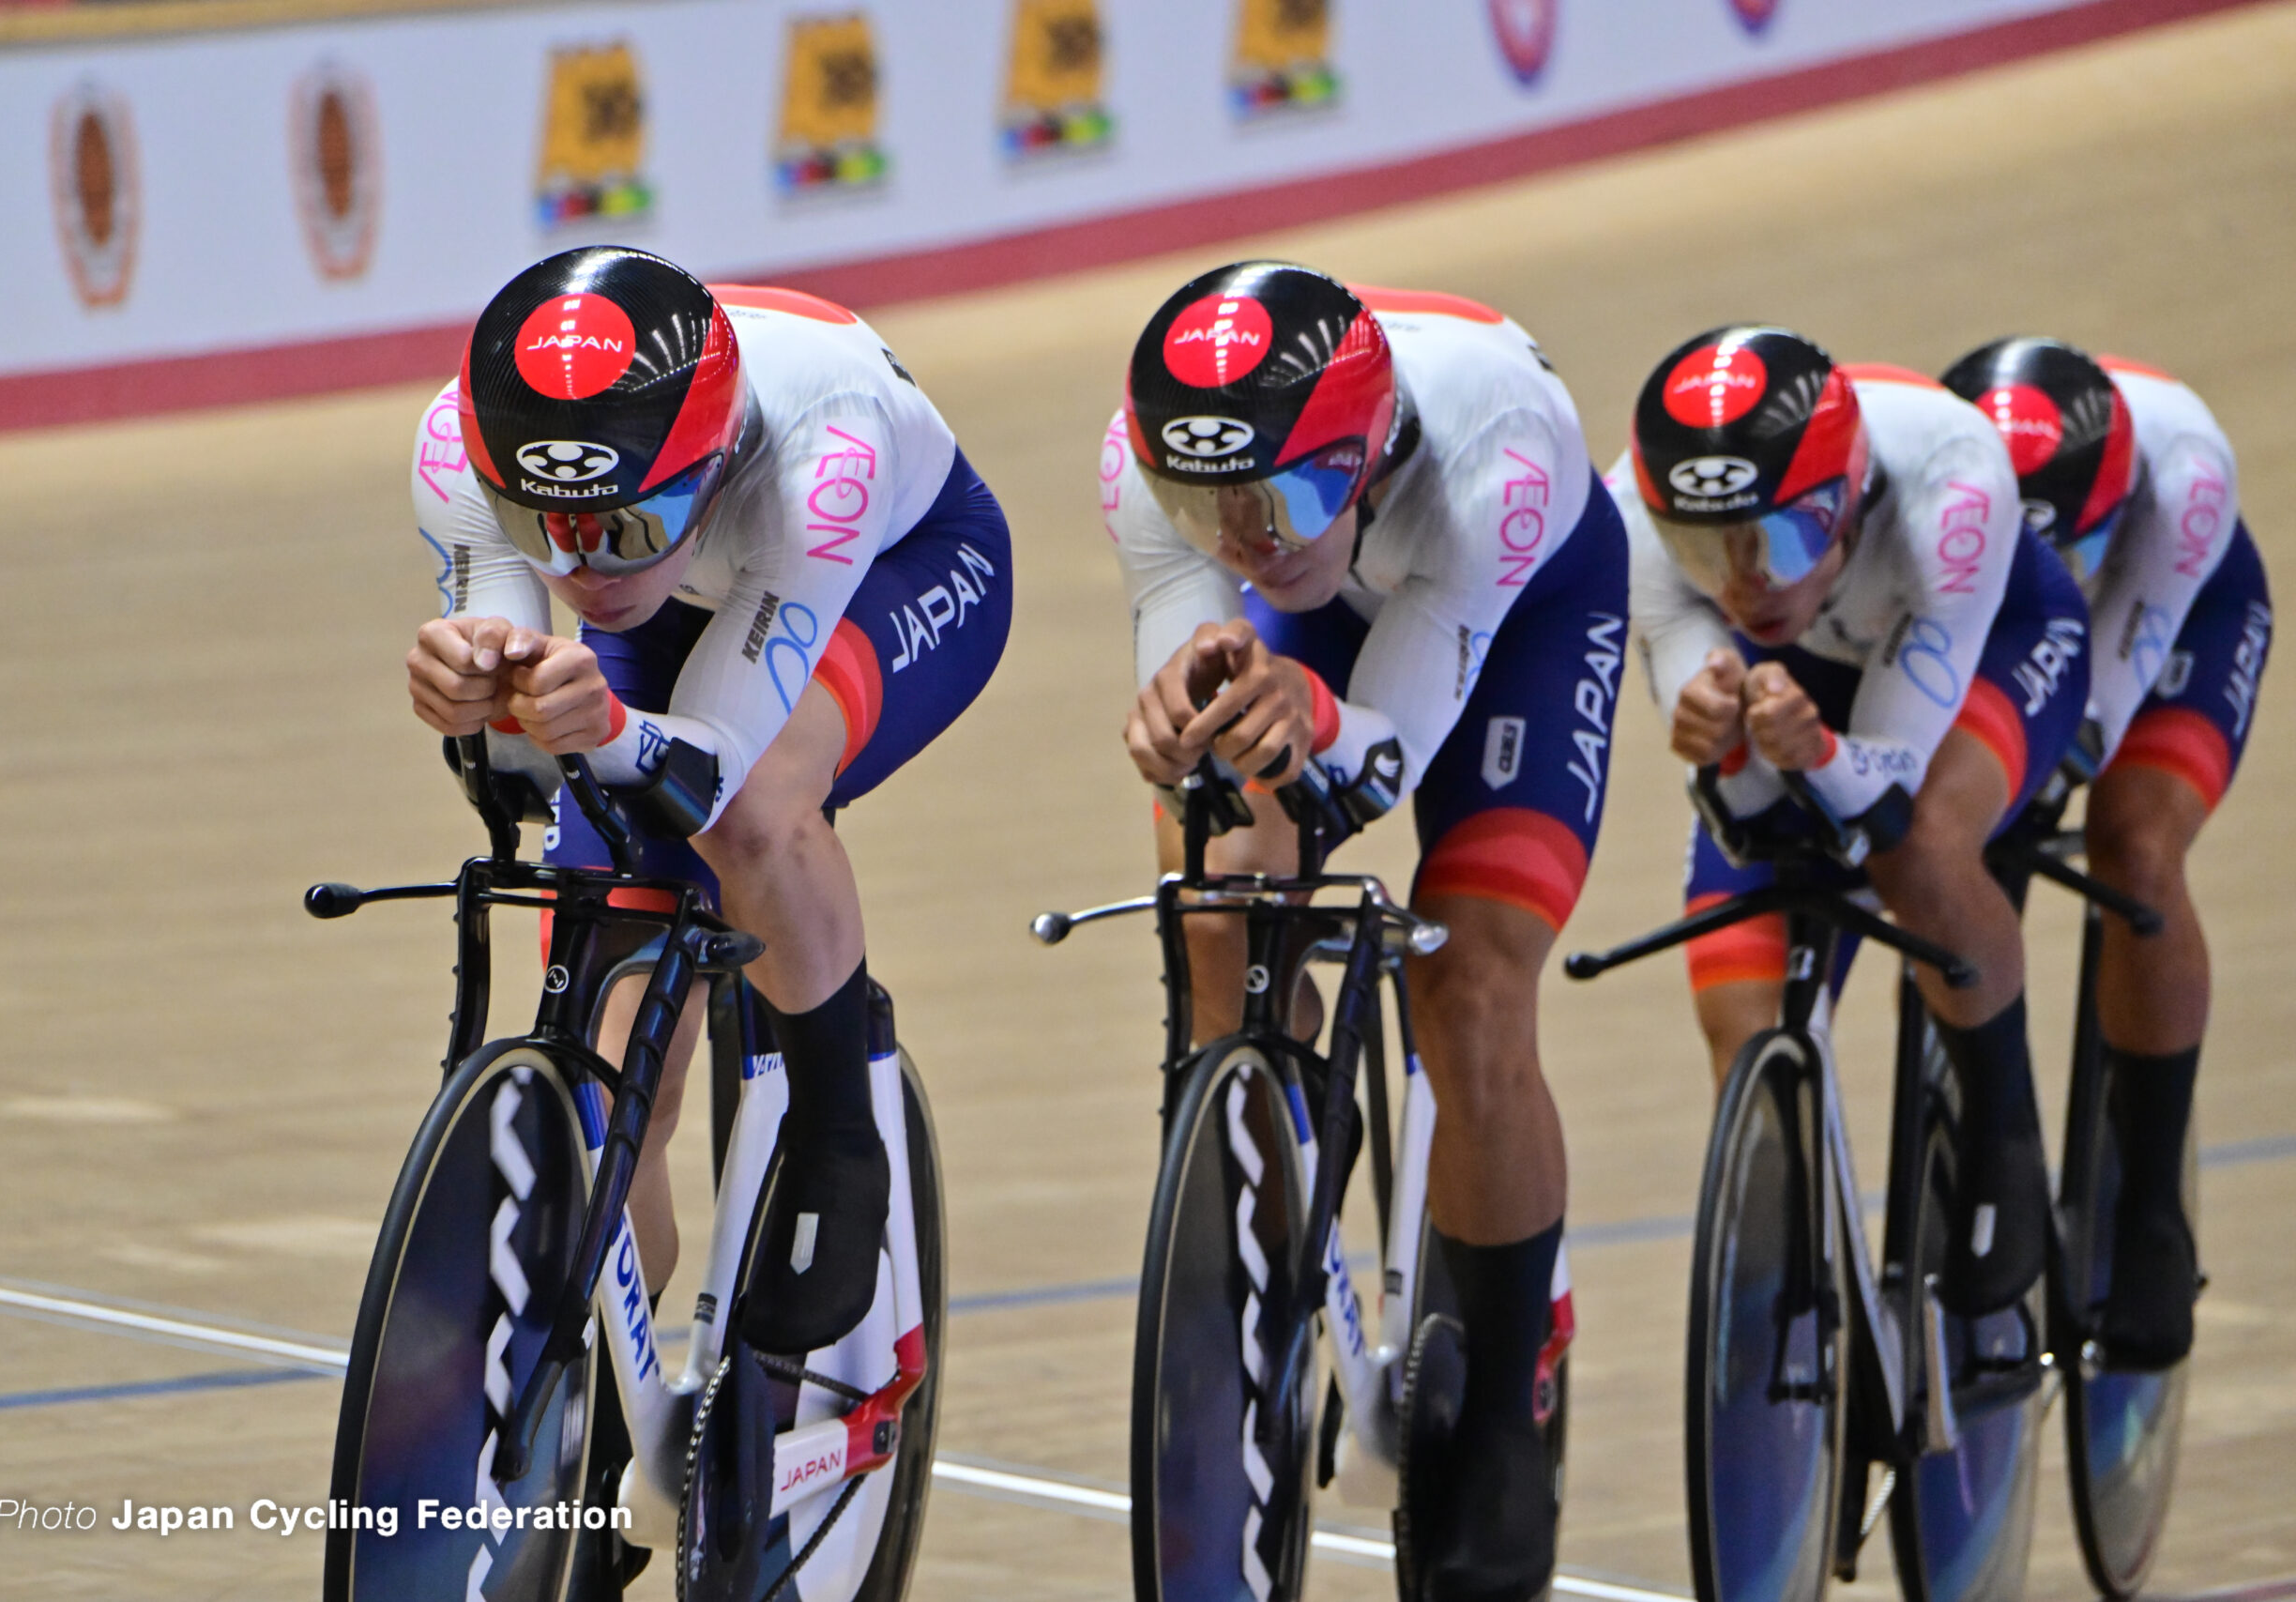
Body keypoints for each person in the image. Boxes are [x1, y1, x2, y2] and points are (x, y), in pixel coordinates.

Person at [1104, 261, 1628, 1602]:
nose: (1244, 539)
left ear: (1365, 447)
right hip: (1346, 589)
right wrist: (1187, 724)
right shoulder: (1172, 464)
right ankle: (1260, 1161)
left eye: (1274, 501)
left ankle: (1507, 1401)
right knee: (1213, 862)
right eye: (1208, 510)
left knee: (1471, 978)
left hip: (1515, 611)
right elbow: (1209, 659)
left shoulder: (1492, 456)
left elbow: (1385, 756)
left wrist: (1321, 723)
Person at [405, 247, 1011, 1358]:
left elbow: (716, 761)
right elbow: (511, 660)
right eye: (547, 528)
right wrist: (472, 678)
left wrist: (607, 724)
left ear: (718, 459)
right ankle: (583, 1409)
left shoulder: (823, 450)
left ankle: (838, 1136)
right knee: (607, 1057)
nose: (583, 569)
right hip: (687, 595)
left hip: (887, 566)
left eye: (621, 524)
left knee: (755, 807)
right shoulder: (460, 441)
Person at [1611, 326, 2091, 1320]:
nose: (1747, 583)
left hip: (1986, 640)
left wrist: (1814, 753)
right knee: (1738, 1006)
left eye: (1782, 538)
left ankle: (2002, 1135)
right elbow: (1742, 810)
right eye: (1708, 551)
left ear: (1852, 495)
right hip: (1811, 674)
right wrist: (1715, 729)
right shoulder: (1632, 511)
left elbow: (1884, 792)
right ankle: (1795, 1297)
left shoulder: (1950, 484)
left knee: (1916, 852)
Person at [1942, 336, 2270, 1366]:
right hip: (2004, 619)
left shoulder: (2186, 476)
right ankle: (1990, 1148)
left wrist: (2048, 760)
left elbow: (2109, 684)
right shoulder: (1938, 469)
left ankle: (2151, 1209)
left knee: (2131, 845)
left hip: (2174, 620)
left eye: (2070, 546)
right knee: (1951, 850)